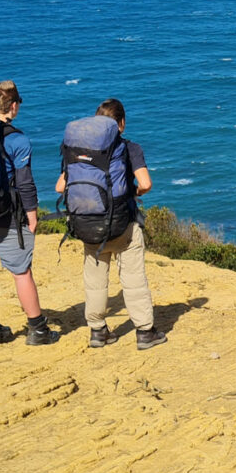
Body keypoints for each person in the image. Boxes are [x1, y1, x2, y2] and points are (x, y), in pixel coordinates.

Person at [56, 98, 166, 350]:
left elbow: (60, 187)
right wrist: (135, 193)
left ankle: (97, 331)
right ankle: (145, 332)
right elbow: (146, 183)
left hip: (87, 224)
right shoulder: (129, 148)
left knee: (95, 280)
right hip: (121, 223)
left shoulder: (77, 151)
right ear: (121, 124)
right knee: (133, 277)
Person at [0, 80, 59, 346]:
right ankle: (37, 329)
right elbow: (25, 182)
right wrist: (32, 215)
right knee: (21, 271)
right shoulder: (18, 140)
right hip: (6, 214)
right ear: (15, 105)